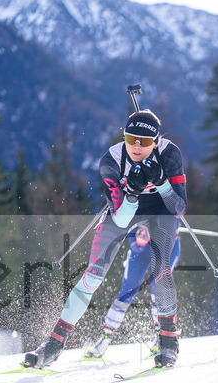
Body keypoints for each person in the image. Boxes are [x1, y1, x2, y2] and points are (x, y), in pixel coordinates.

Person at [24, 107, 187, 369]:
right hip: (125, 210)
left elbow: (178, 208)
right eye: (130, 138)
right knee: (93, 275)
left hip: (161, 210)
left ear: (156, 142)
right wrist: (132, 193)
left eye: (144, 141)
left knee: (161, 269)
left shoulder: (169, 154)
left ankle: (168, 341)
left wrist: (161, 182)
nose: (136, 146)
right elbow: (121, 220)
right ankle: (54, 344)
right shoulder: (111, 160)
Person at [84, 222, 181, 358]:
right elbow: (128, 222)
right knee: (127, 291)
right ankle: (104, 339)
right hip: (141, 249)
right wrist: (137, 240)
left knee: (158, 287)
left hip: (166, 247)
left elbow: (177, 213)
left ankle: (161, 338)